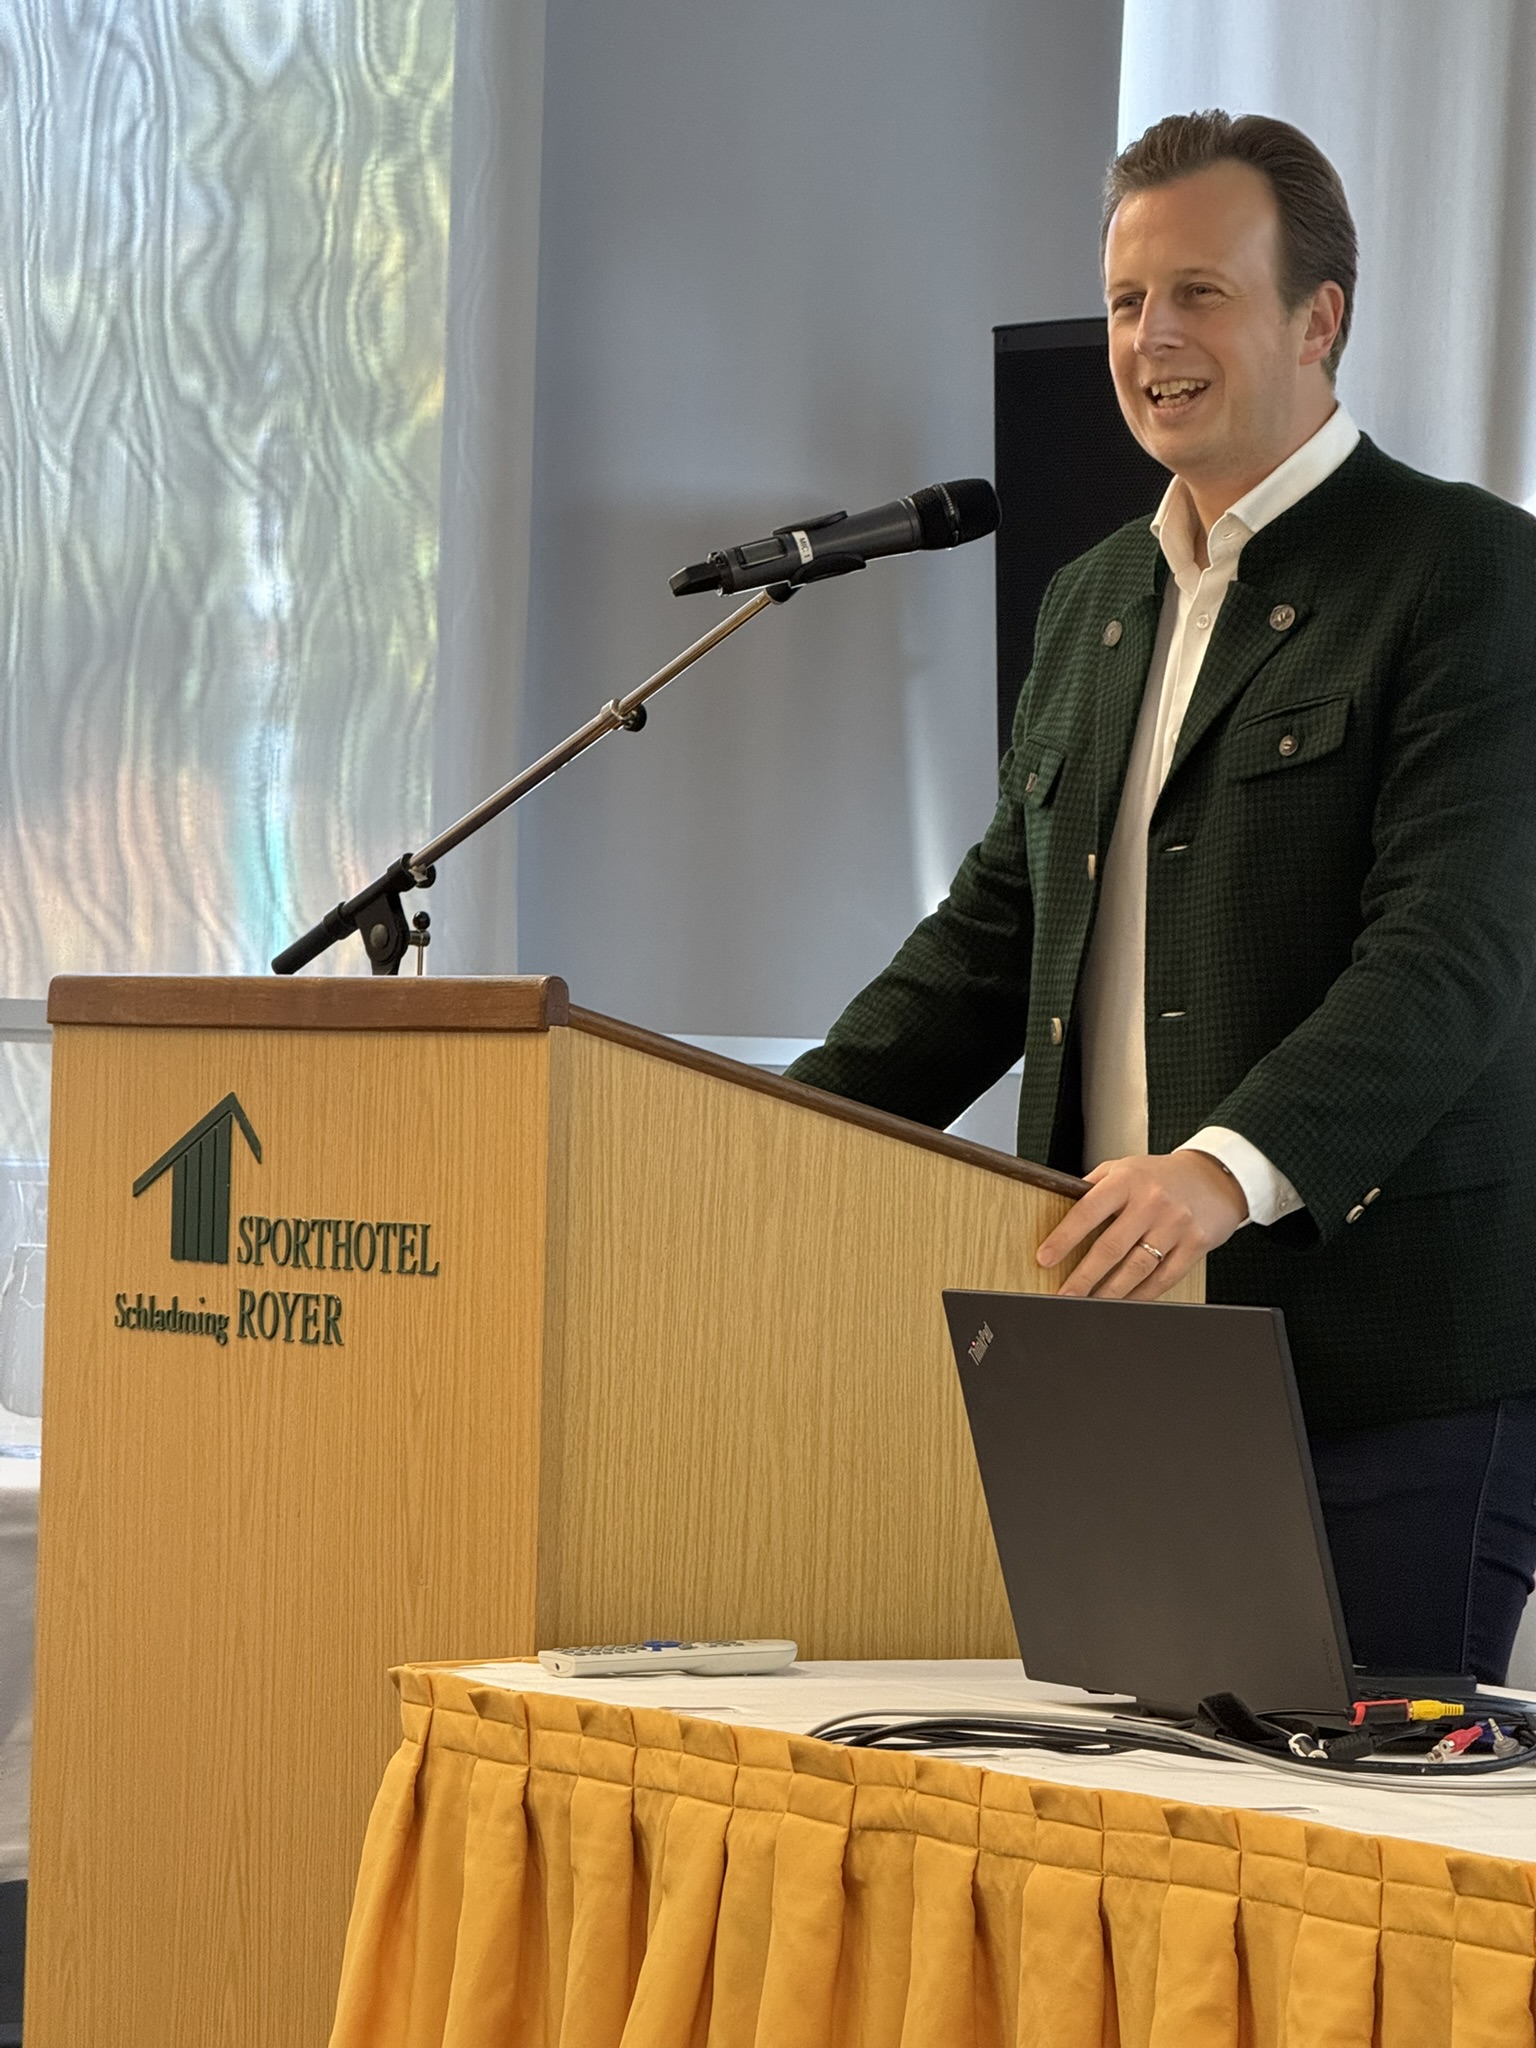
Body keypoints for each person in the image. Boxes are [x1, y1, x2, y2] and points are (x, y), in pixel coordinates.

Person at [785, 110, 1536, 1685]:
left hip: (1393, 1371)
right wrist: (767, 1129)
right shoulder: (1094, 601)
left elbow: (1453, 952)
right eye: (1128, 301)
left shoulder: (1467, 569)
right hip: (1121, 1350)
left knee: (1340, 1823)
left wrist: (1222, 1169)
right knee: (1129, 1813)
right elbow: (994, 937)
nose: (1150, 339)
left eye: (1200, 292)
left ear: (1318, 318)